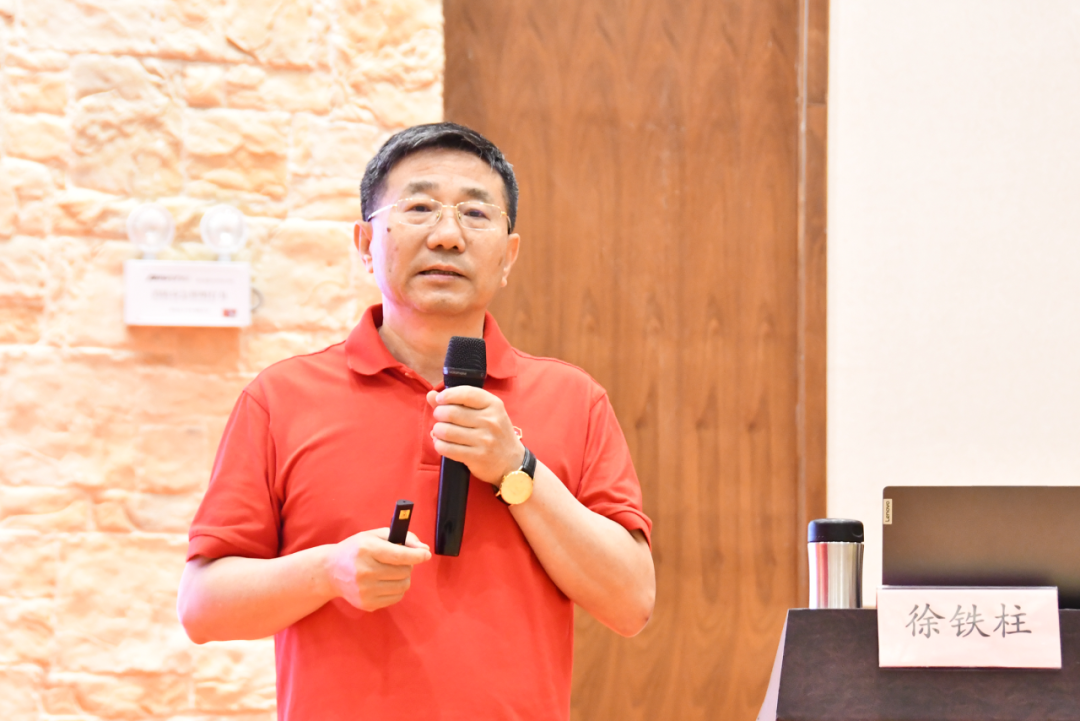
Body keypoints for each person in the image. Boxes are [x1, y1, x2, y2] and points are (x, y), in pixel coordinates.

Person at [177, 122, 655, 720]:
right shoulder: (280, 399)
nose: (448, 236)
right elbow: (202, 608)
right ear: (364, 243)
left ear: (508, 256)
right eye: (420, 208)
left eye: (475, 214)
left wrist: (518, 469)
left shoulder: (575, 400)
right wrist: (326, 570)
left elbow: (631, 603)